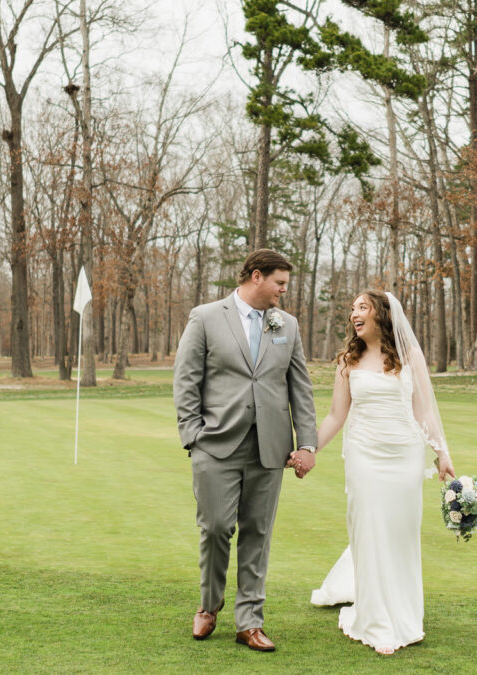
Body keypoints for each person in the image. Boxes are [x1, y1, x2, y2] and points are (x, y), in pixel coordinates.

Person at [173, 249, 318, 652]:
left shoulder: (286, 324)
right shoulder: (205, 317)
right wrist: (193, 435)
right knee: (216, 528)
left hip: (270, 448)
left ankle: (249, 621)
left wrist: (306, 443)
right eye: (280, 284)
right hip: (215, 444)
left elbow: (300, 388)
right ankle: (208, 606)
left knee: (258, 533)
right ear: (256, 276)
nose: (283, 293)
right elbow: (186, 380)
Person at [302, 290, 455, 655]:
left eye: (362, 307)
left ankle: (404, 613)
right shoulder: (349, 361)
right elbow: (336, 416)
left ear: (381, 315)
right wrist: (309, 449)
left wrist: (441, 454)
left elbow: (425, 411)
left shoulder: (409, 355)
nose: (355, 313)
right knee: (369, 529)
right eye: (352, 308)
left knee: (400, 533)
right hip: (364, 456)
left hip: (404, 455)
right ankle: (374, 620)